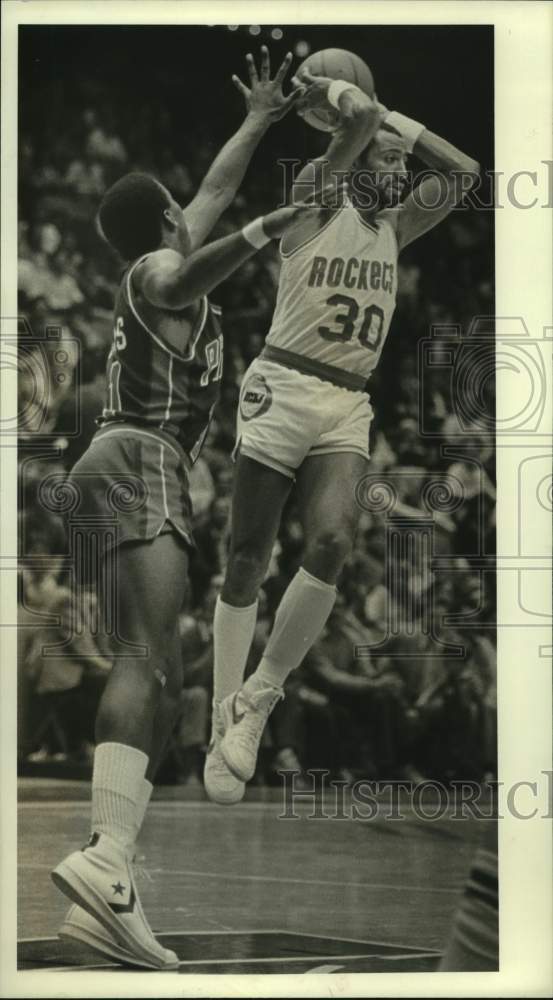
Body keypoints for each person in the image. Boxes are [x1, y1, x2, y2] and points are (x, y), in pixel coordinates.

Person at [50, 48, 307, 970]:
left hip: (110, 464)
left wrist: (259, 119)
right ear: (166, 220)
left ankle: (110, 880)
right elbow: (174, 278)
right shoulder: (160, 267)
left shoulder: (165, 241)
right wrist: (265, 229)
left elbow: (214, 186)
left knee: (153, 667)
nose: (199, 210)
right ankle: (105, 859)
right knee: (149, 658)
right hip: (142, 455)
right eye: (184, 211)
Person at [208, 66, 480, 800]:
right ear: (353, 161)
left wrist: (401, 126)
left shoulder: (397, 228)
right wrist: (338, 97)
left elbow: (463, 172)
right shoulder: (312, 198)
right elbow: (356, 121)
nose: (400, 172)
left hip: (346, 401)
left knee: (332, 543)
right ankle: (219, 709)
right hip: (282, 383)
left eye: (400, 163)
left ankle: (259, 698)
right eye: (388, 161)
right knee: (247, 557)